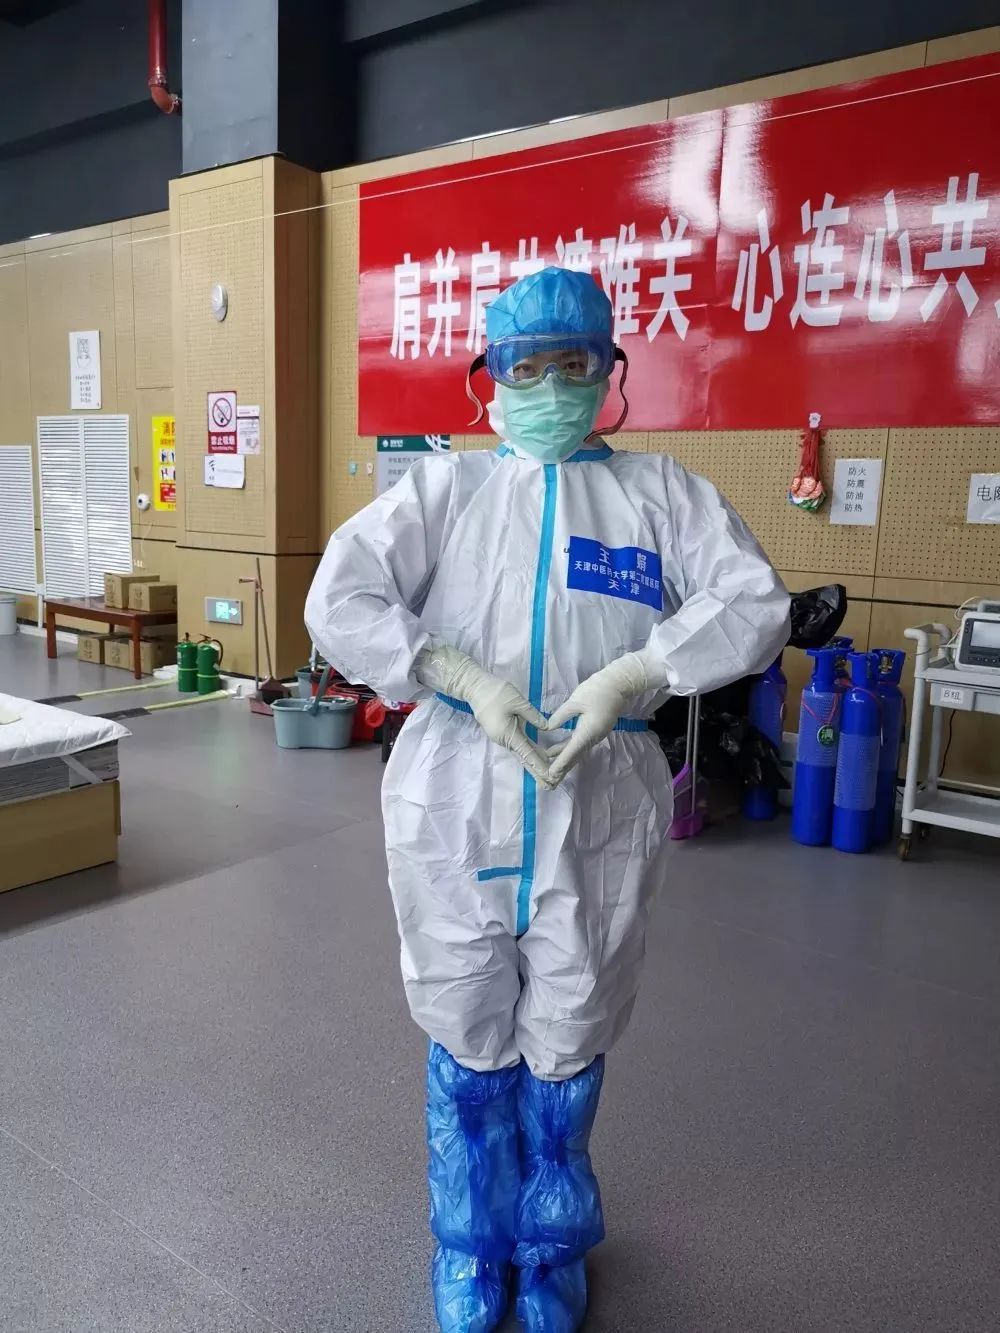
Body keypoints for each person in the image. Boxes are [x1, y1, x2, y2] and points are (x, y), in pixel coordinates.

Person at [305, 267, 790, 1332]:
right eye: (527, 367)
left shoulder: (660, 494)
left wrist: (639, 671)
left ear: (610, 368)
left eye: (575, 363)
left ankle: (551, 1244)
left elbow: (754, 601)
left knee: (569, 1032)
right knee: (468, 1028)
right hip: (455, 790)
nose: (552, 386)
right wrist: (454, 674)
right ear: (490, 376)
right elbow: (340, 593)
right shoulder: (448, 491)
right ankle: (471, 1246)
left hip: (600, 795)